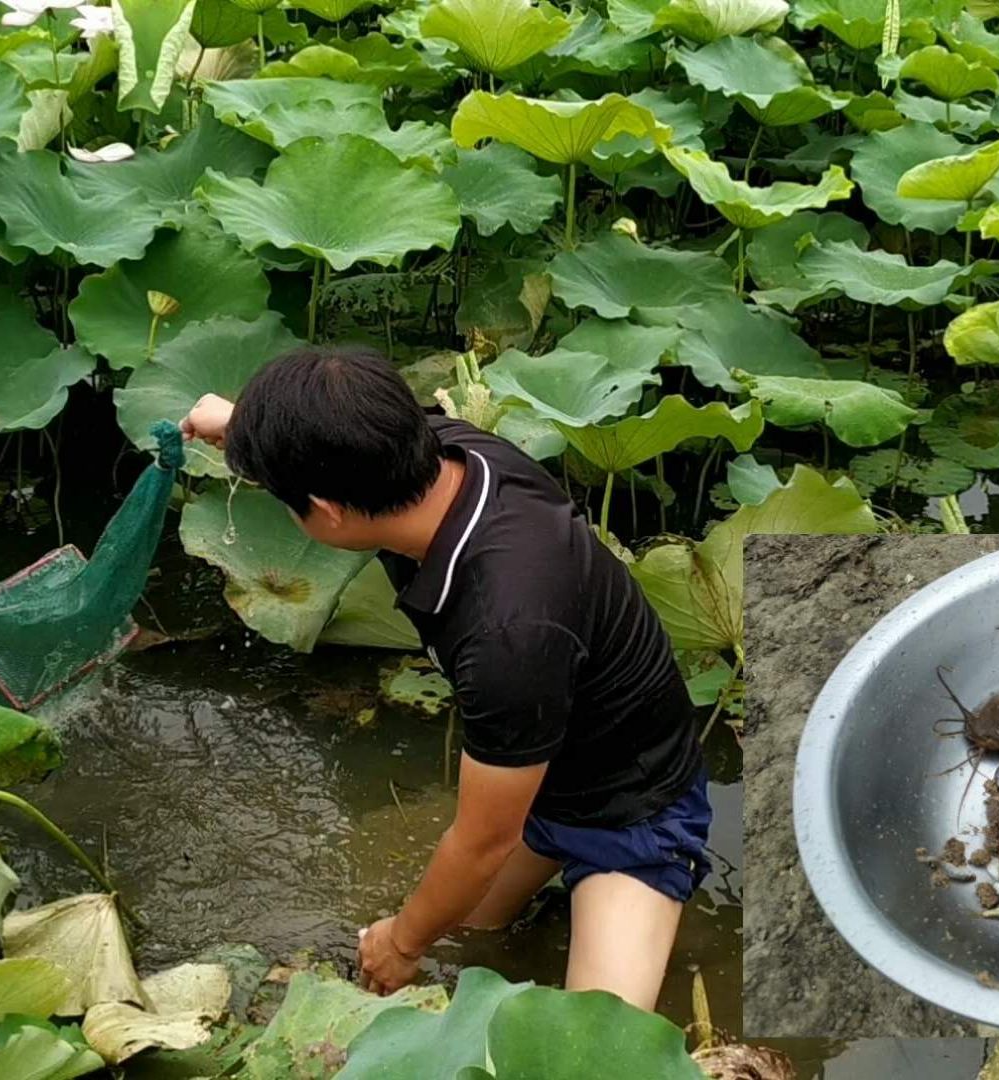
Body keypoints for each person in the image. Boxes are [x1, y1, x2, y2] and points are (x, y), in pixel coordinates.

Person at [180, 343, 710, 1012]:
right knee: (471, 932)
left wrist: (401, 944)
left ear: (328, 509)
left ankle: (640, 889)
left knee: (592, 1054)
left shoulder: (506, 632)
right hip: (542, 773)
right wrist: (243, 428)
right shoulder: (441, 450)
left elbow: (483, 840)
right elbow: (340, 436)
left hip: (632, 811)